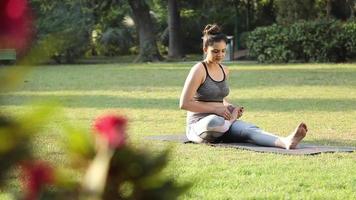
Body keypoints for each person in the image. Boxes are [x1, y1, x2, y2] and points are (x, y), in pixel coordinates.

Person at [179, 24, 308, 149]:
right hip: (201, 125)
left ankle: (286, 142)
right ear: (205, 49)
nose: (220, 55)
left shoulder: (224, 70)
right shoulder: (199, 69)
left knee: (249, 129)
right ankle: (228, 123)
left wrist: (230, 107)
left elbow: (218, 98)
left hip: (223, 121)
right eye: (215, 51)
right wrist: (217, 110)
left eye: (223, 51)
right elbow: (184, 103)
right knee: (214, 121)